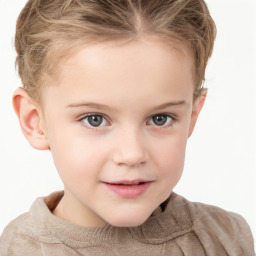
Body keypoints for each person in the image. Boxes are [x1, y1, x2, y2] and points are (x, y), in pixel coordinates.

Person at [0, 0, 254, 255]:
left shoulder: (229, 240)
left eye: (160, 119)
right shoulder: (16, 250)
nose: (132, 154)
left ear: (192, 115)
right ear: (35, 121)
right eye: (94, 119)